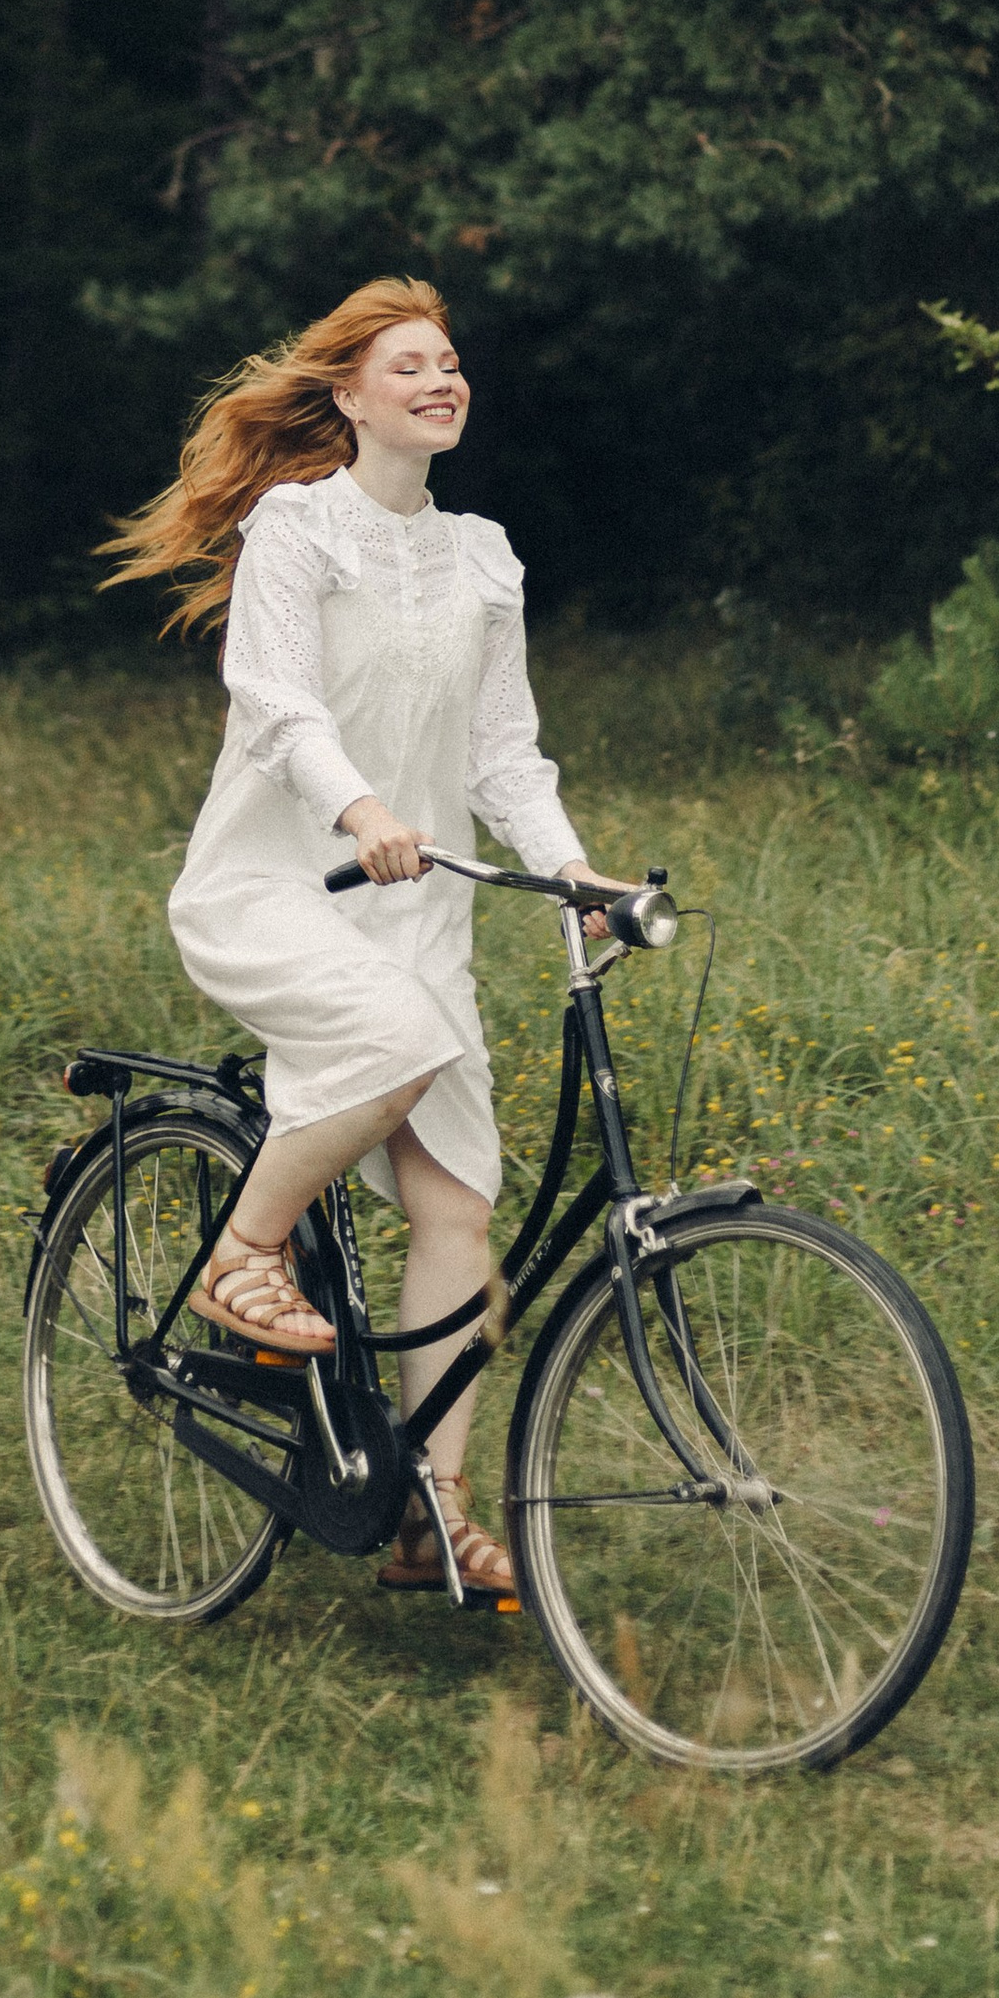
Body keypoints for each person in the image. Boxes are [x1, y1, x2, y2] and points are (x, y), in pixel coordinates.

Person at [100, 276, 608, 1604]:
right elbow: (275, 702)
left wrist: (571, 869)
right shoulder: (297, 530)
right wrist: (362, 807)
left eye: (452, 366)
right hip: (282, 886)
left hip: (418, 915)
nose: (443, 382)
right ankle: (241, 1255)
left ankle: (433, 1515)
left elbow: (504, 754)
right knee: (398, 1039)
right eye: (411, 367)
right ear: (348, 396)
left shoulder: (483, 554)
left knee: (459, 1210)